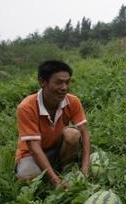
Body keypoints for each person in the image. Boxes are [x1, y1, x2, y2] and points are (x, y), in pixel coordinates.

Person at [15, 60, 91, 188]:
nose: (64, 88)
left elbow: (85, 134)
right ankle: (54, 177)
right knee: (26, 177)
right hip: (31, 154)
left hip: (56, 148)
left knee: (73, 134)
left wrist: (85, 169)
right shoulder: (26, 107)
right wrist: (55, 181)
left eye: (67, 82)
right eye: (58, 82)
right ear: (43, 82)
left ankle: (65, 171)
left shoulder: (72, 101)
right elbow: (34, 148)